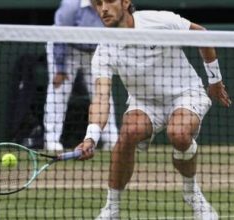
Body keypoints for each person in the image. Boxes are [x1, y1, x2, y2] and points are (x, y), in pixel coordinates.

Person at [76, 0, 231, 219]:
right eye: (98, 3)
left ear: (126, 2)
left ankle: (191, 192)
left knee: (178, 133)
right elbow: (101, 98)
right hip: (144, 101)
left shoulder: (158, 21)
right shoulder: (104, 50)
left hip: (185, 92)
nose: (103, 9)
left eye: (109, 1)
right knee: (127, 133)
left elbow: (202, 34)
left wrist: (215, 80)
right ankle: (111, 208)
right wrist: (90, 137)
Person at [44, 0, 118, 151]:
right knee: (58, 94)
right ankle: (51, 141)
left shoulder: (111, 5)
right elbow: (59, 35)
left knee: (103, 94)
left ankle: (112, 139)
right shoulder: (71, 6)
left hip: (95, 52)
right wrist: (60, 69)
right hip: (67, 50)